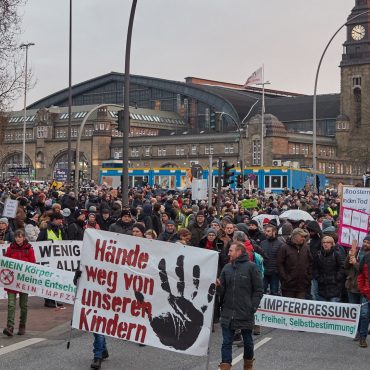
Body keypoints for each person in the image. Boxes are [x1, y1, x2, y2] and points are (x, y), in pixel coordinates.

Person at [217, 241, 263, 370]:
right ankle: (225, 366)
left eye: (231, 251)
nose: (228, 253)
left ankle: (248, 365)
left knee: (248, 342)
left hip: (245, 312)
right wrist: (218, 286)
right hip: (228, 312)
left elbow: (259, 290)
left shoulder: (252, 267)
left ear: (239, 252)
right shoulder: (226, 268)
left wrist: (252, 307)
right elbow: (221, 292)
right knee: (226, 342)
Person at [3, 229, 36, 336]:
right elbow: (6, 264)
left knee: (24, 305)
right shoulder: (10, 249)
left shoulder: (29, 249)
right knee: (11, 305)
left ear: (24, 237)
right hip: (12, 281)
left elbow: (32, 264)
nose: (18, 239)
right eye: (17, 237)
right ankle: (10, 327)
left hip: (24, 281)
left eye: (20, 237)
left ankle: (22, 325)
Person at [73, 271, 109, 369]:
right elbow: (76, 283)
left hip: (105, 301)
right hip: (90, 300)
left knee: (98, 329)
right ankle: (103, 350)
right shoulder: (85, 261)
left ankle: (97, 357)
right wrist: (77, 276)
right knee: (96, 328)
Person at [277, 228, 312, 299]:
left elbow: (310, 263)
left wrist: (308, 277)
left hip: (302, 285)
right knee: (288, 308)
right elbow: (279, 264)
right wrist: (285, 278)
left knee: (300, 308)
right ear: (295, 236)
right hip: (288, 286)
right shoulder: (284, 248)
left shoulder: (306, 248)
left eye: (304, 237)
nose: (303, 238)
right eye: (301, 236)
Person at [313, 236, 344, 302]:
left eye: (328, 242)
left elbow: (342, 268)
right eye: (324, 242)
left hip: (335, 287)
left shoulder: (337, 254)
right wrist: (318, 278)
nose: (325, 244)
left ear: (332, 244)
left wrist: (336, 278)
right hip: (322, 287)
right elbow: (315, 268)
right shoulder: (318, 254)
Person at [261, 224, 283, 296]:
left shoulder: (280, 244)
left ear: (274, 232)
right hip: (264, 272)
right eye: (265, 231)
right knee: (262, 292)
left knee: (274, 293)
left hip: (275, 273)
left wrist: (278, 271)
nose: (266, 233)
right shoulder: (263, 243)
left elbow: (281, 259)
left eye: (268, 231)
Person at [357, 235, 370, 348]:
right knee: (364, 315)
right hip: (366, 293)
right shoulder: (366, 257)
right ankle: (362, 338)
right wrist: (363, 288)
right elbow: (360, 274)